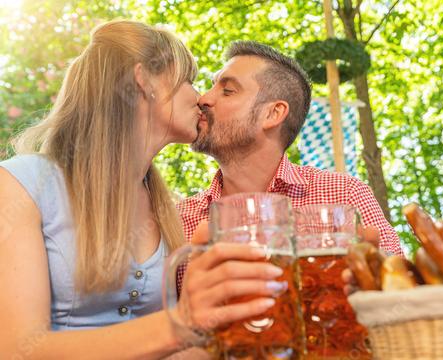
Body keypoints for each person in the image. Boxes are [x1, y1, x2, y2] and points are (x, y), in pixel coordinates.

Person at [0, 21, 286, 359]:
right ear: (144, 81)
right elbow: (17, 350)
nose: (202, 99)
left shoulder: (167, 209)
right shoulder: (22, 184)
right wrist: (182, 322)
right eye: (188, 81)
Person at [180, 41, 403, 257]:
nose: (204, 98)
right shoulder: (179, 219)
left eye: (228, 90)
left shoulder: (346, 196)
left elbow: (402, 289)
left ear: (273, 114)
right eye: (211, 87)